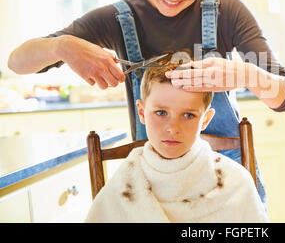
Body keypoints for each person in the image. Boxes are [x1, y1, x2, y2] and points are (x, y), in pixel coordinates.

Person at [7, 0, 285, 206]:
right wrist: (62, 45)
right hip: (153, 190)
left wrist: (246, 73)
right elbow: (17, 63)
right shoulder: (119, 20)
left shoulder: (227, 12)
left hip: (225, 187)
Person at [85, 52, 269, 223]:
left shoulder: (236, 184)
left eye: (188, 115)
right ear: (141, 112)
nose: (173, 128)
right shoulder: (122, 186)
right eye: (161, 112)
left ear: (205, 119)